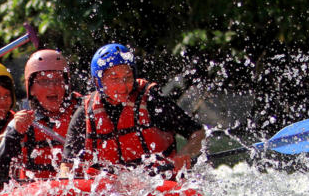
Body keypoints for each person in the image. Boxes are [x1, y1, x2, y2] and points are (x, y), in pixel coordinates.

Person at [59, 43, 206, 177]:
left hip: (159, 184)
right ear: (99, 81)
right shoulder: (84, 112)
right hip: (109, 191)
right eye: (115, 79)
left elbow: (198, 133)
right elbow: (66, 166)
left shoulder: (151, 100)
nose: (124, 86)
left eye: (128, 77)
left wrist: (185, 153)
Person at [0, 49, 81, 183]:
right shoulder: (21, 123)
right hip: (37, 195)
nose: (52, 87)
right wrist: (14, 135)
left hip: (79, 190)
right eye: (43, 81)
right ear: (31, 88)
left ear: (66, 85)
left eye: (58, 80)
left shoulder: (83, 114)